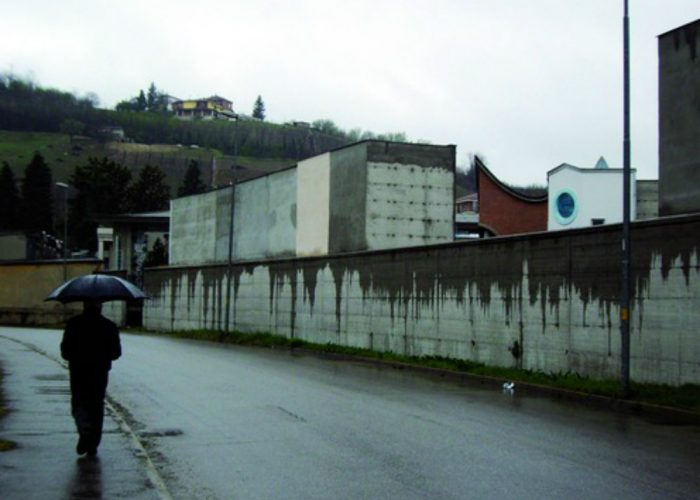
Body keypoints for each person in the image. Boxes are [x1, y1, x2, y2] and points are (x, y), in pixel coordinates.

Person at [61, 300, 121, 457]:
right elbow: (116, 353)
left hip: (78, 371)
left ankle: (84, 429)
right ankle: (93, 443)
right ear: (100, 307)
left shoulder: (73, 324)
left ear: (84, 306)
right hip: (99, 373)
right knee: (96, 405)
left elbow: (65, 351)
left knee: (79, 402)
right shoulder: (109, 326)